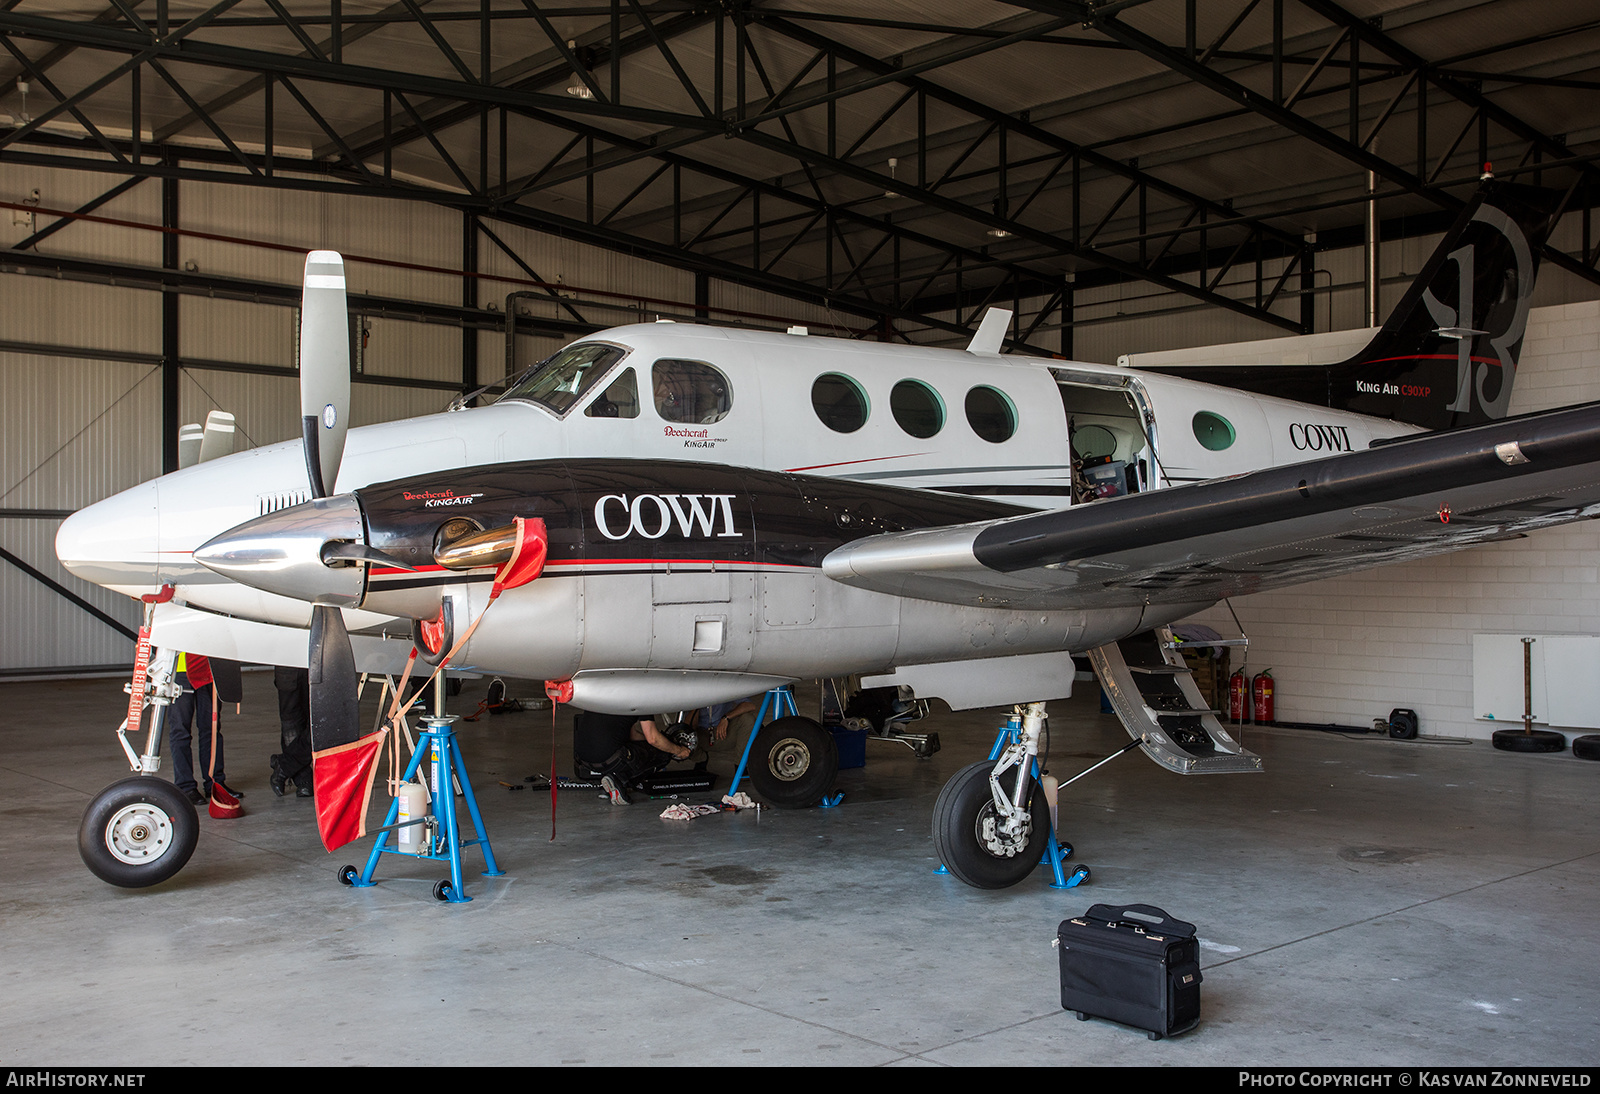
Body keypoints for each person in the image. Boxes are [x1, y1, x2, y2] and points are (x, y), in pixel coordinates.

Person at [572, 710, 693, 806]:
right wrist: (677, 749)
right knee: (664, 753)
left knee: (627, 747)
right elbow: (653, 738)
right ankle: (620, 780)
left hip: (583, 759)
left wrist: (655, 744)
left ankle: (610, 787)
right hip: (607, 759)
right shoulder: (641, 697)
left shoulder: (608, 692)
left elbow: (632, 735)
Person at [164, 651, 238, 805]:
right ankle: (186, 786)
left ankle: (215, 783)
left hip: (209, 669)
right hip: (179, 670)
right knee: (180, 731)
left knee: (211, 729)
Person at [270, 666, 314, 798]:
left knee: (319, 721)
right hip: (287, 660)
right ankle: (303, 779)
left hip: (318, 659)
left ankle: (284, 766)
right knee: (291, 723)